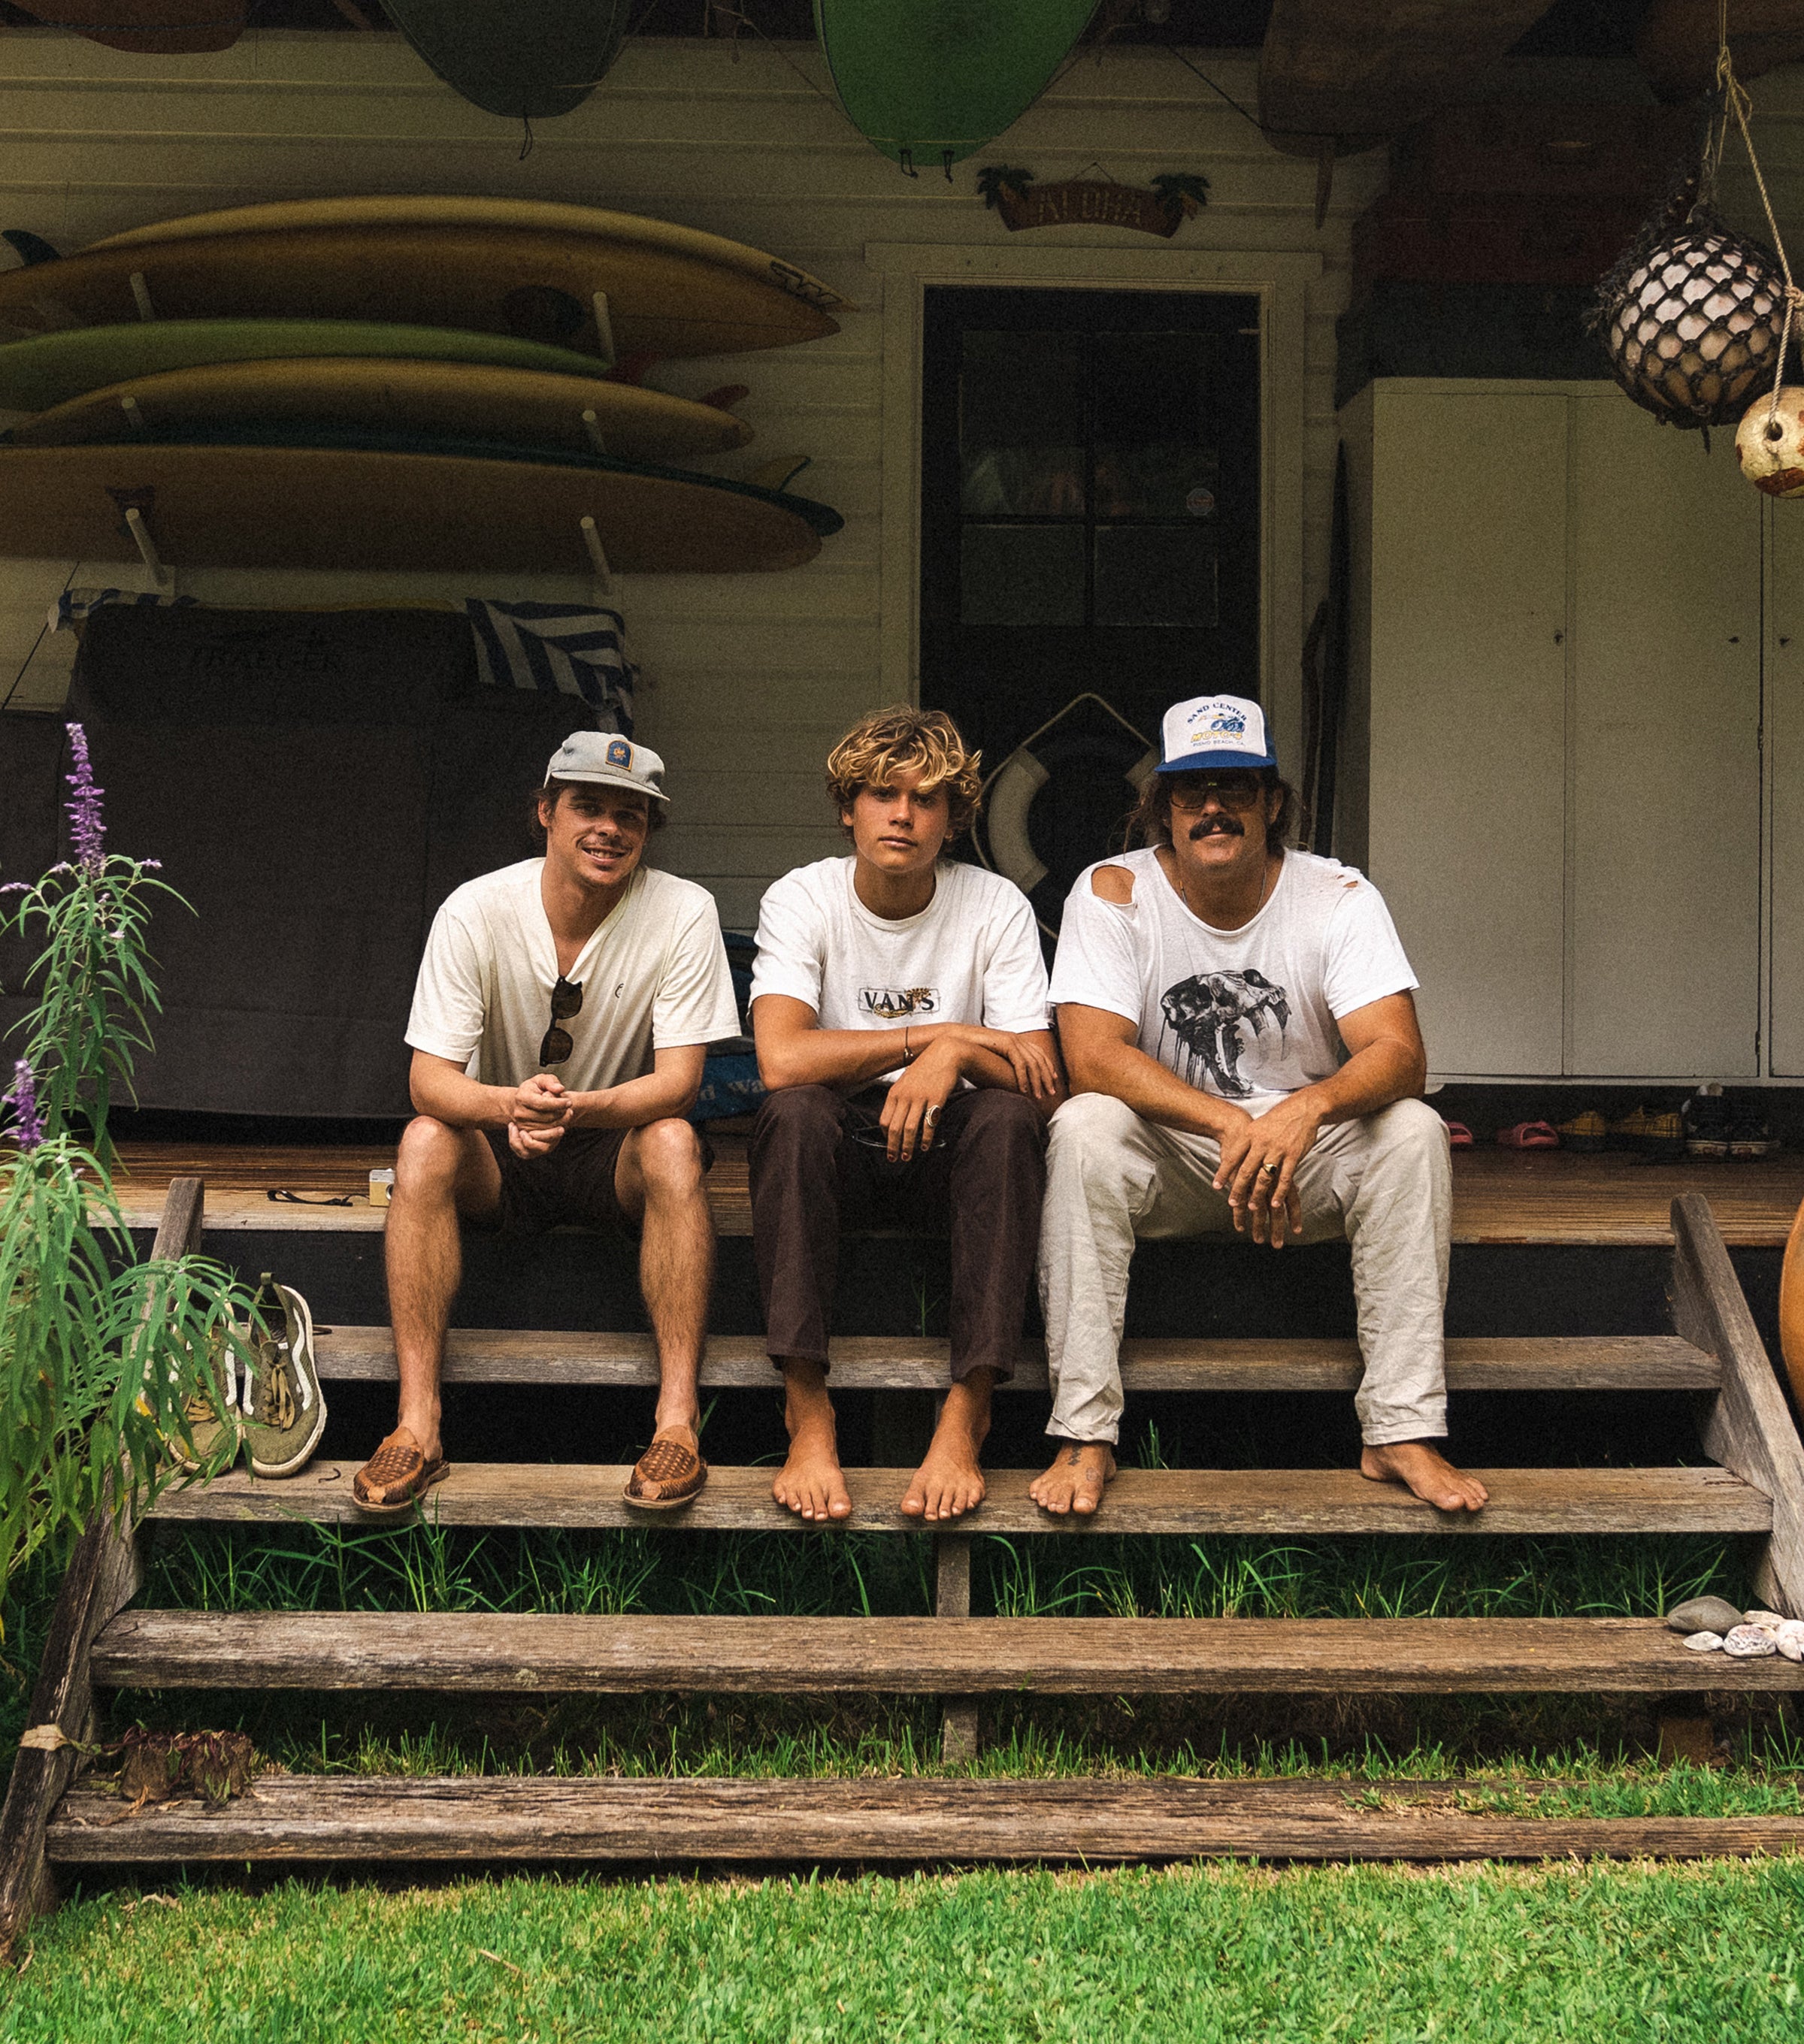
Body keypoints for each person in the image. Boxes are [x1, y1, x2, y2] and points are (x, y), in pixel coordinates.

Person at [1031, 691, 1488, 1519]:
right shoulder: (1110, 893)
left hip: (1299, 1160)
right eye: (1192, 789)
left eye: (1237, 788)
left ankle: (1401, 1426)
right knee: (1083, 1125)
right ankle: (1085, 1432)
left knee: (1413, 1131)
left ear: (1272, 803)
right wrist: (1231, 1121)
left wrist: (1304, 1111)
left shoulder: (1338, 894)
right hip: (1179, 1154)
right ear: (1161, 808)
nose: (1214, 807)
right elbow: (1090, 1056)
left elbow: (1399, 1054)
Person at [353, 730, 740, 1516]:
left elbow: (680, 1083)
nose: (608, 829)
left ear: (648, 832)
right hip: (500, 1147)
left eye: (630, 815)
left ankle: (676, 1422)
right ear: (545, 812)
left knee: (674, 1144)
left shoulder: (684, 909)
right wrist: (507, 1105)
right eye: (588, 806)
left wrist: (575, 1108)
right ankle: (417, 1424)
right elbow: (428, 1080)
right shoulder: (476, 906)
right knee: (423, 1141)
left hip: (613, 1142)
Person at [749, 706, 1063, 1525]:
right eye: (882, 794)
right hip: (840, 1145)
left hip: (946, 1148)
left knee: (1007, 1122)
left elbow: (1038, 1074)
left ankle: (969, 1405)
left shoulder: (994, 906)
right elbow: (781, 1057)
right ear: (847, 806)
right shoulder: (802, 898)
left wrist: (955, 1060)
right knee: (793, 1112)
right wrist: (937, 1033)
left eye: (926, 799)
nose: (902, 814)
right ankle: (806, 1406)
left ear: (953, 820)